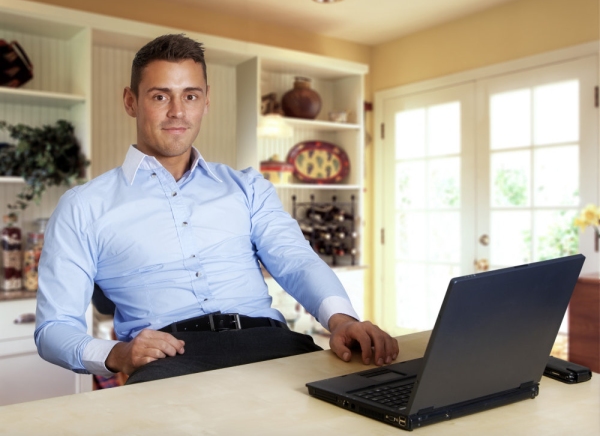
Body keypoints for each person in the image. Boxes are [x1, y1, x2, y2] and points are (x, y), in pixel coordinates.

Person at [35, 34, 398, 385]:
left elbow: (295, 259)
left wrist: (341, 320)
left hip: (274, 347)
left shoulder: (248, 187)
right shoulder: (83, 207)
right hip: (171, 362)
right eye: (160, 96)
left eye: (190, 96)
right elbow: (54, 329)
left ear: (206, 101)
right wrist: (118, 354)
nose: (177, 111)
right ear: (131, 101)